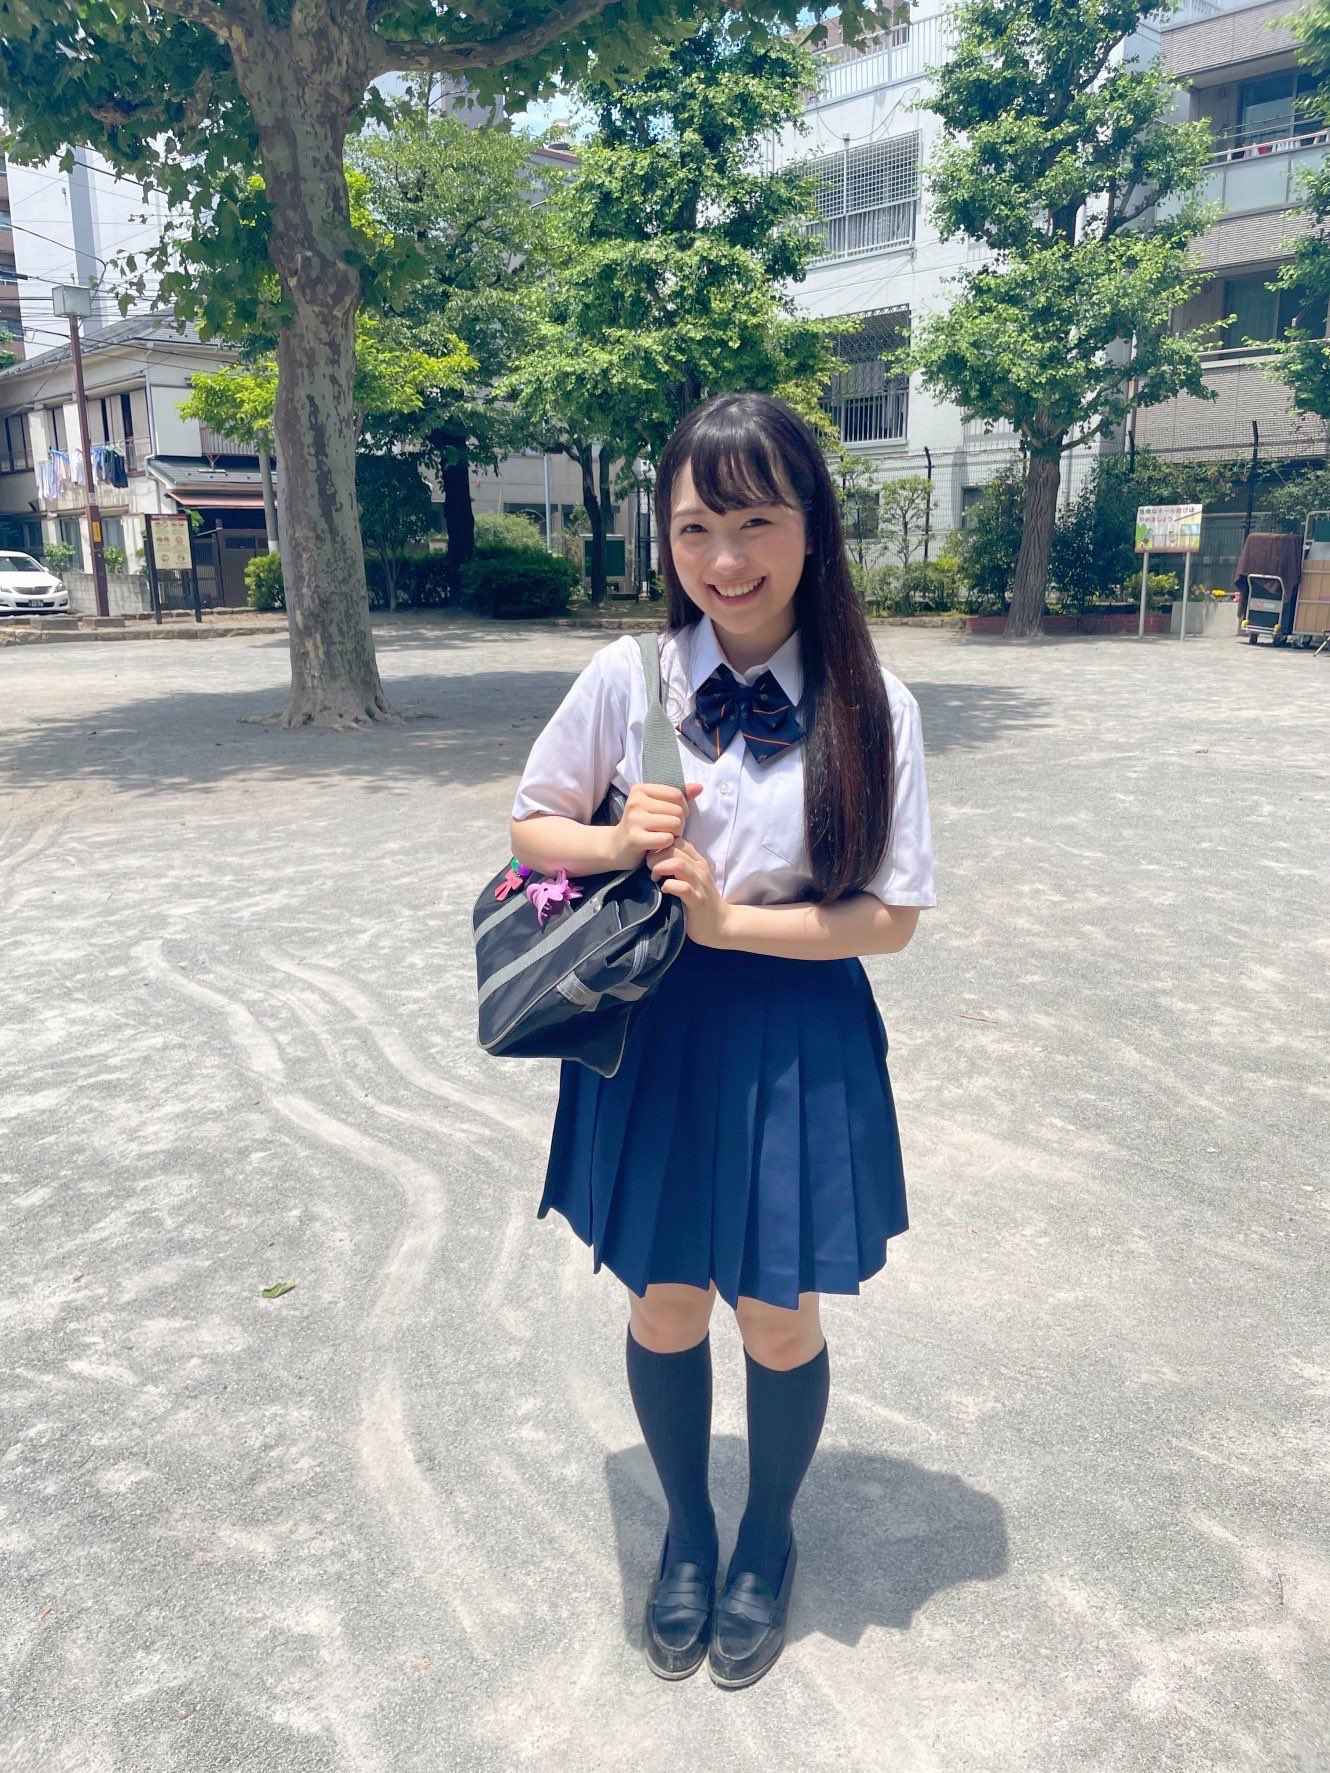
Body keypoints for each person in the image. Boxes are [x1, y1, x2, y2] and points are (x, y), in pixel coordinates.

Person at [507, 391, 937, 1689]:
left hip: (795, 1023)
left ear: (813, 528)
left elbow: (890, 918)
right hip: (655, 1026)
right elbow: (530, 826)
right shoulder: (627, 679)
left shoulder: (874, 703)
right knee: (668, 1295)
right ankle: (687, 1533)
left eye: (754, 522)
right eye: (695, 527)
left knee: (778, 1312)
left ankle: (765, 1535)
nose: (725, 559)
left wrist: (731, 921)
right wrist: (615, 841)